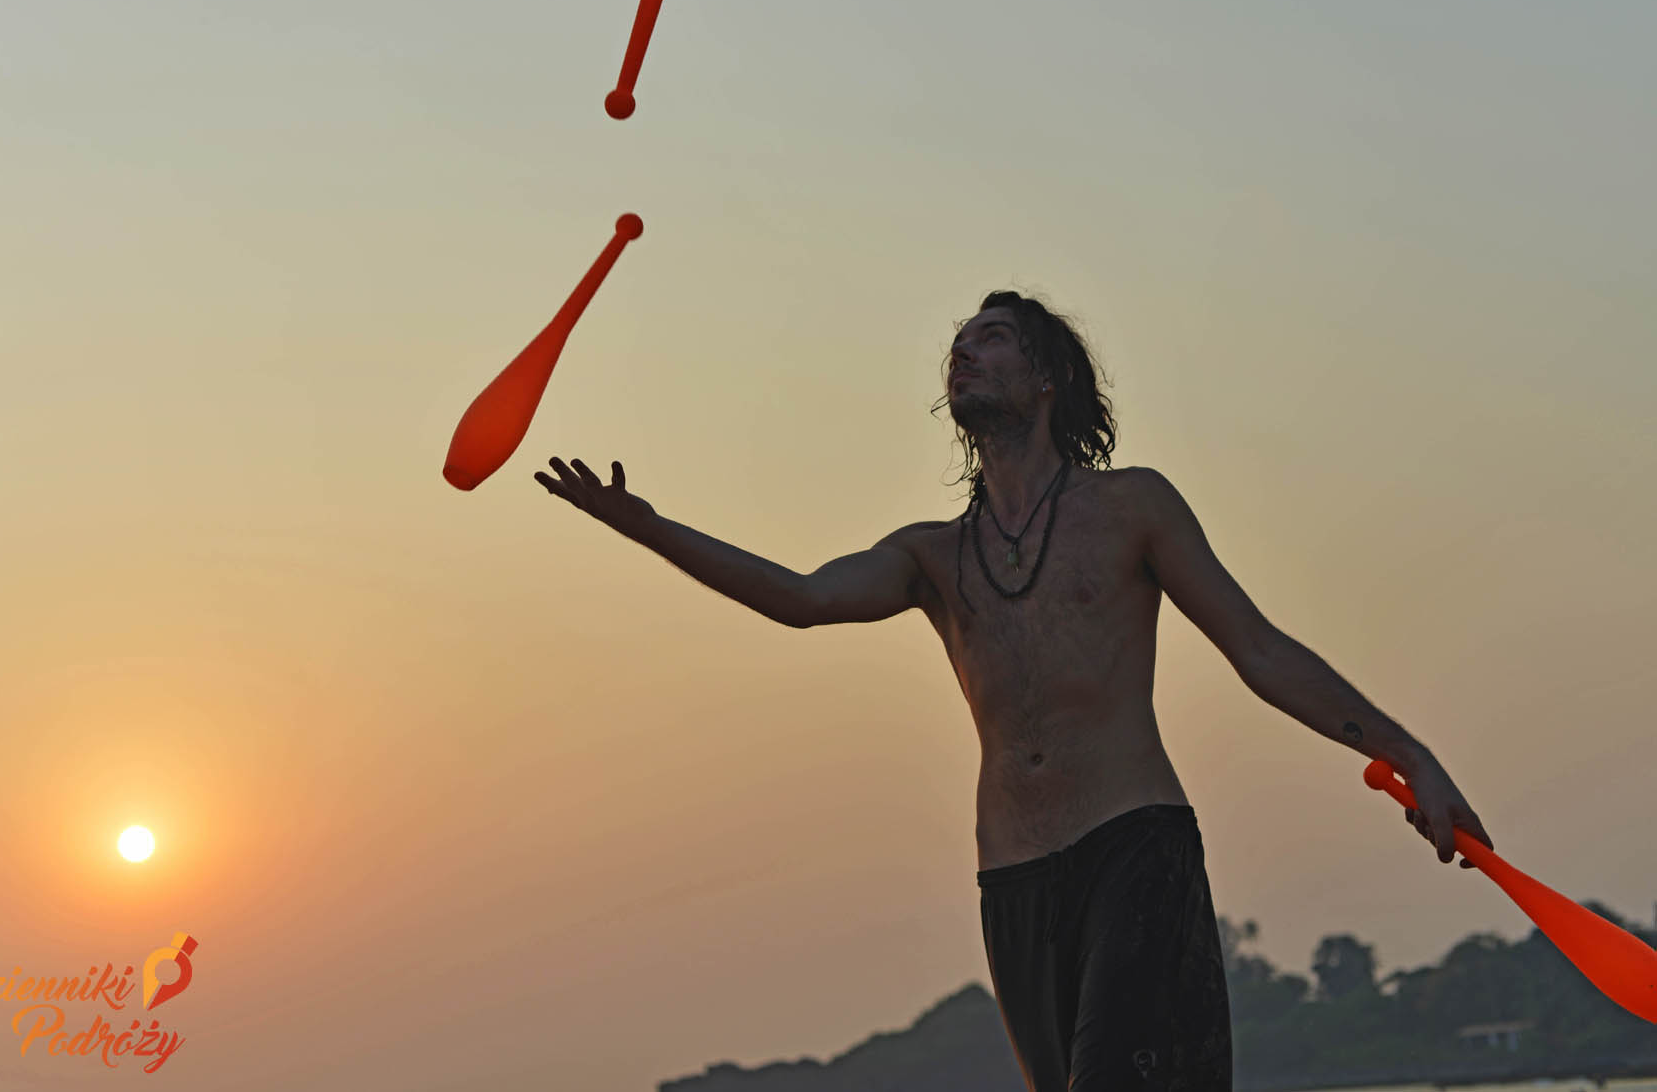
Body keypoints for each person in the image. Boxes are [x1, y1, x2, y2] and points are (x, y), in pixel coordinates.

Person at [533, 288, 1494, 1091]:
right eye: (957, 343)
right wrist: (649, 526)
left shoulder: (1131, 507)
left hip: (1133, 853)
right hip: (1015, 886)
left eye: (990, 337)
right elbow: (802, 598)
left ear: (1047, 379)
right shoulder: (931, 555)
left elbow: (1261, 650)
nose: (963, 352)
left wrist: (1409, 755)